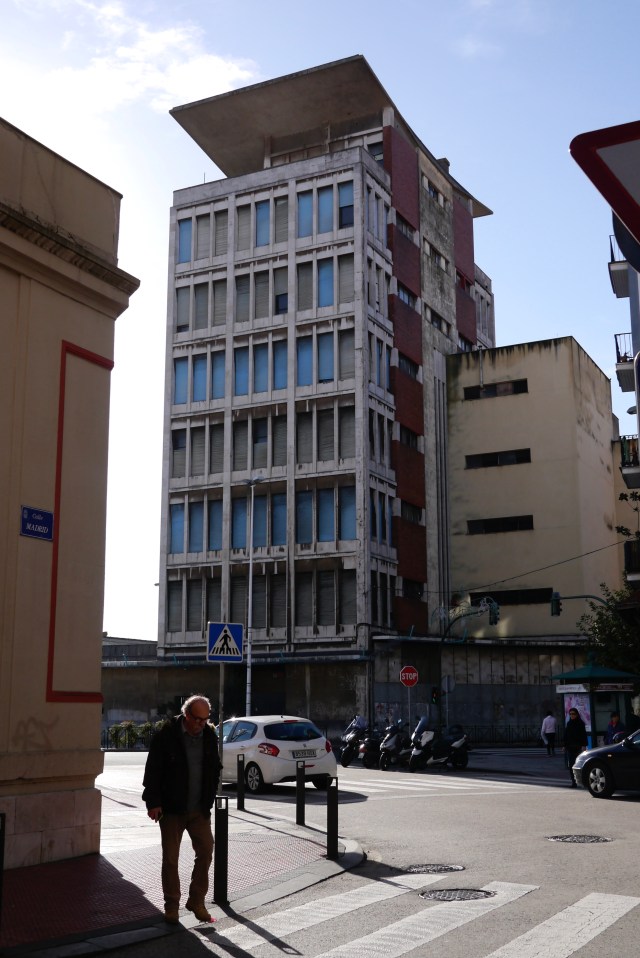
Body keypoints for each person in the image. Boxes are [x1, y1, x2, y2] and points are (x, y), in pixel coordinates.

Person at [142, 694, 222, 924]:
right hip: (172, 809)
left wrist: (209, 797)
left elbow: (214, 767)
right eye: (197, 719)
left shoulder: (208, 736)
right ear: (186, 715)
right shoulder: (166, 735)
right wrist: (153, 802)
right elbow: (153, 771)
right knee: (170, 859)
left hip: (199, 809)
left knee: (206, 851)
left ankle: (196, 900)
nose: (201, 724)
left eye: (205, 720)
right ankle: (172, 906)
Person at [564, 707, 588, 788]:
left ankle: (582, 781)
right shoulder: (569, 723)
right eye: (570, 714)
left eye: (573, 714)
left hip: (578, 747)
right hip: (570, 747)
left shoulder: (580, 723)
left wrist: (584, 745)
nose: (572, 715)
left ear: (577, 714)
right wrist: (564, 745)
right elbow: (566, 735)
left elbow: (583, 735)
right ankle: (573, 782)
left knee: (580, 765)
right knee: (571, 765)